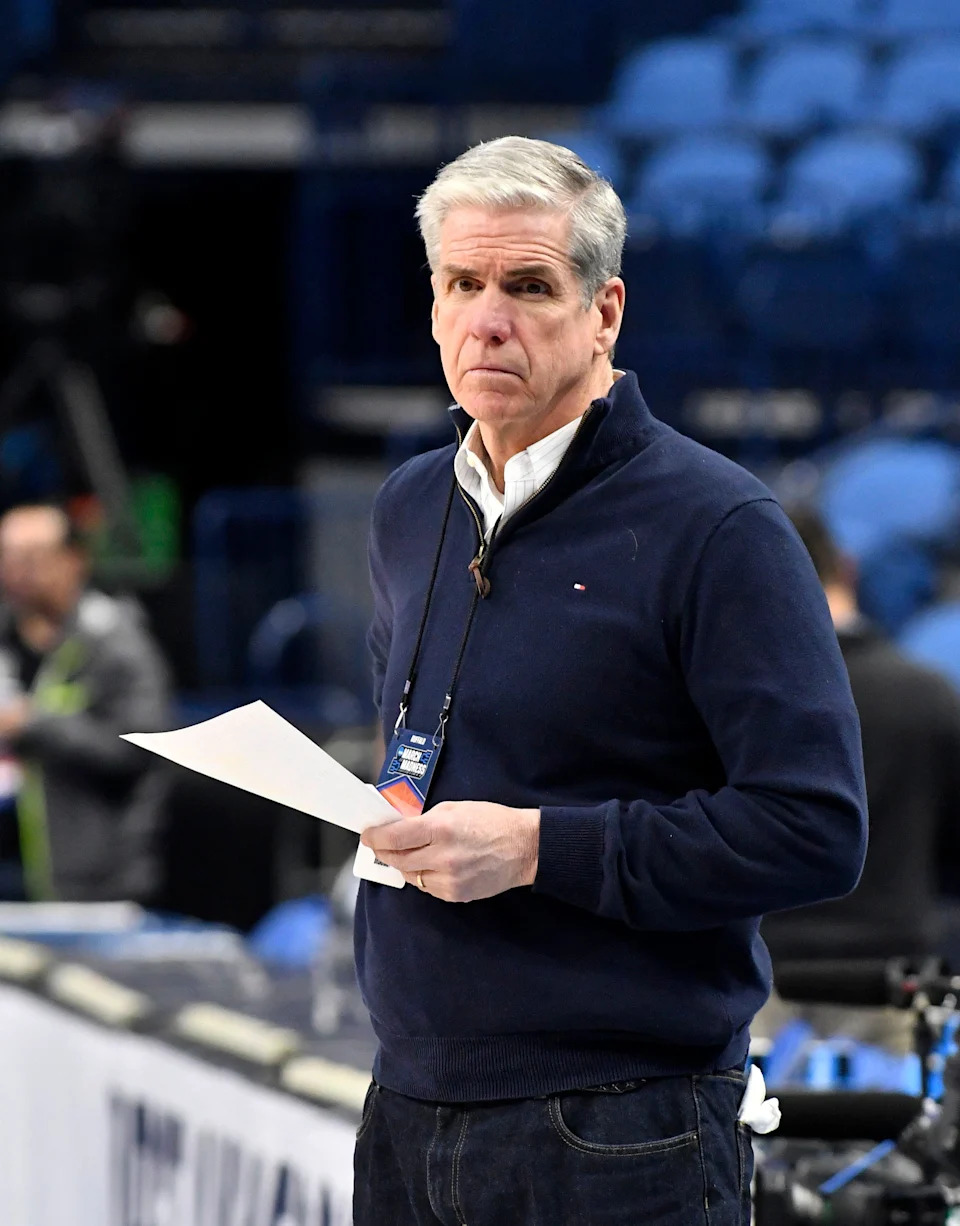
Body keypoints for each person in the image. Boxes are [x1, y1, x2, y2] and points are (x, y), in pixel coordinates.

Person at [356, 137, 867, 1226]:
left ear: (605, 312)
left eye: (529, 286)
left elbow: (815, 828)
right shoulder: (411, 508)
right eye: (462, 284)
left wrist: (541, 848)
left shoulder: (719, 527)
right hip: (406, 1107)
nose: (488, 319)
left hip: (624, 1125)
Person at [0, 503, 171, 902]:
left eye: (32, 556)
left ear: (73, 559)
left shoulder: (116, 644)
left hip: (97, 883)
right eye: (7, 556)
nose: (18, 570)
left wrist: (31, 724)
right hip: (15, 876)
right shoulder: (4, 637)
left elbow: (139, 748)